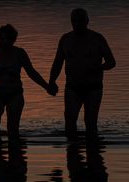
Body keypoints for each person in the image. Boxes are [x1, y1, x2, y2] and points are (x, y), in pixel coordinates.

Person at [49, 8, 116, 138]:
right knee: (70, 121)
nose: (77, 24)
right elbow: (57, 62)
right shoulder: (66, 39)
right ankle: (72, 151)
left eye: (80, 21)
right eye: (74, 21)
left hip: (93, 88)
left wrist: (98, 67)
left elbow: (112, 62)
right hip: (72, 87)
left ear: (87, 21)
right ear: (71, 22)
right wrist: (52, 81)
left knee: (90, 122)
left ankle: (93, 150)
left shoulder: (97, 38)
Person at [0, 24, 56, 139]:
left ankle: (15, 153)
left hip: (15, 94)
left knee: (13, 130)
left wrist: (47, 86)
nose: (0, 41)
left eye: (3, 38)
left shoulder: (19, 53)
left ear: (12, 39)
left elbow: (31, 72)